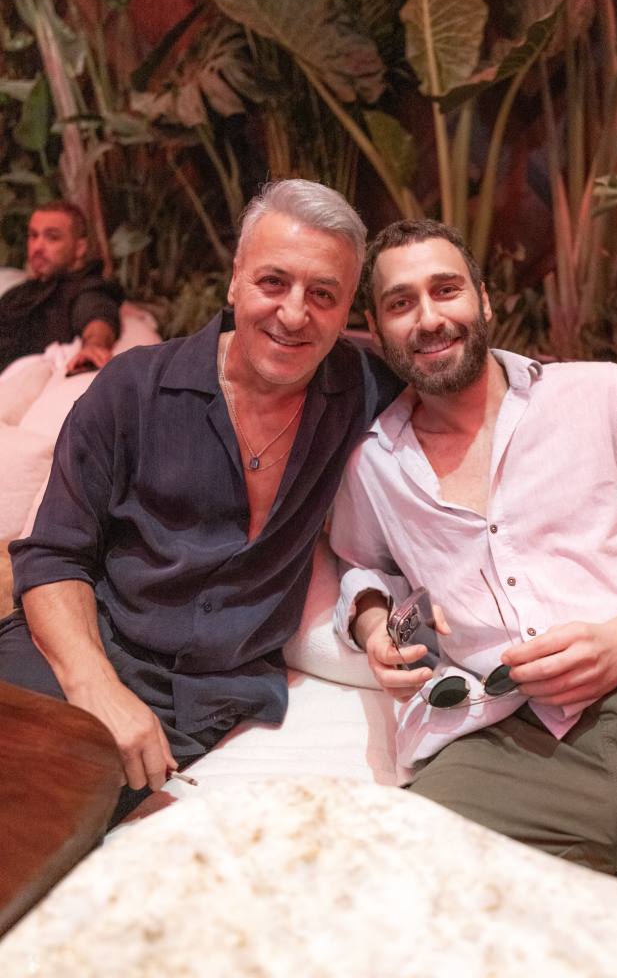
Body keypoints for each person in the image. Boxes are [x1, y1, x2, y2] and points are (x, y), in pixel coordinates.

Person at [330, 218, 617, 938]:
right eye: (401, 302)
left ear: (484, 299)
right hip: (497, 748)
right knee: (387, 934)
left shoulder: (599, 394)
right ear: (378, 325)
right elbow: (363, 567)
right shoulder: (373, 463)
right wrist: (373, 626)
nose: (428, 317)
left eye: (446, 289)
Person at [0, 179, 399, 819]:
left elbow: (472, 384)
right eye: (273, 282)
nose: (294, 314)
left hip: (211, 700)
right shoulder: (132, 390)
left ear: (349, 308)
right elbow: (51, 556)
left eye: (323, 294)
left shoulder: (362, 389)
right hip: (79, 659)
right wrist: (97, 688)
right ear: (235, 280)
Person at [0, 200, 123, 374]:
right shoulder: (20, 292)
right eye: (33, 236)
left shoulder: (85, 288)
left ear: (79, 248)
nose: (37, 247)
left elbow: (97, 316)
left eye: (52, 237)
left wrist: (94, 346)